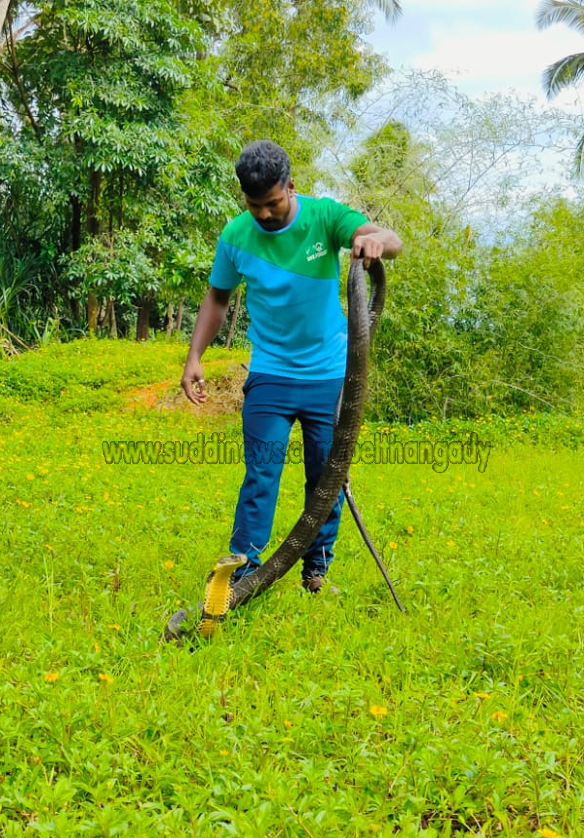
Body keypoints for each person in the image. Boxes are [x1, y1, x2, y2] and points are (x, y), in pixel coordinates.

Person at [181, 140, 401, 593]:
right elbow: (217, 298)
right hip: (270, 374)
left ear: (291, 186)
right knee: (262, 470)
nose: (264, 214)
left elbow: (390, 240)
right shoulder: (236, 236)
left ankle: (316, 572)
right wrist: (195, 356)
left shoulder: (324, 216)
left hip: (328, 376)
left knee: (327, 475)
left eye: (273, 203)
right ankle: (243, 568)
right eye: (254, 205)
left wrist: (374, 239)